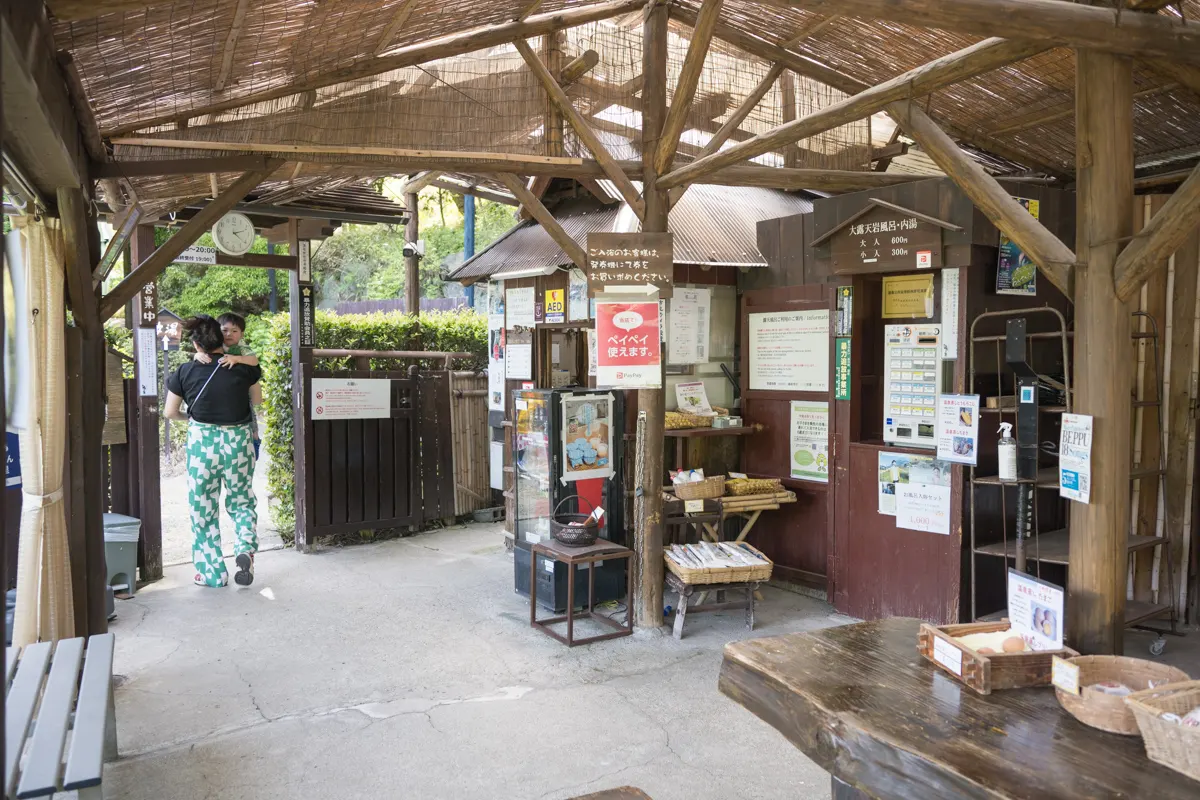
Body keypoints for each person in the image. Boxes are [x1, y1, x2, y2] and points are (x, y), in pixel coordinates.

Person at [165, 315, 262, 588]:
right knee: (242, 500)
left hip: (202, 446)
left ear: (197, 345)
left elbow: (170, 412)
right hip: (238, 441)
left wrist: (192, 418)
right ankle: (244, 548)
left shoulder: (185, 371)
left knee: (203, 507)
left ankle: (212, 573)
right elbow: (257, 400)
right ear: (223, 340)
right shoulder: (245, 369)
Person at [195, 312, 262, 459]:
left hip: (239, 396)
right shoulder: (215, 345)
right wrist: (197, 355)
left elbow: (254, 360)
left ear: (242, 334)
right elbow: (201, 351)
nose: (229, 334)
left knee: (249, 413)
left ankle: (254, 439)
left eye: (234, 331)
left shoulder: (242, 347)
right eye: (224, 330)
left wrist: (237, 358)